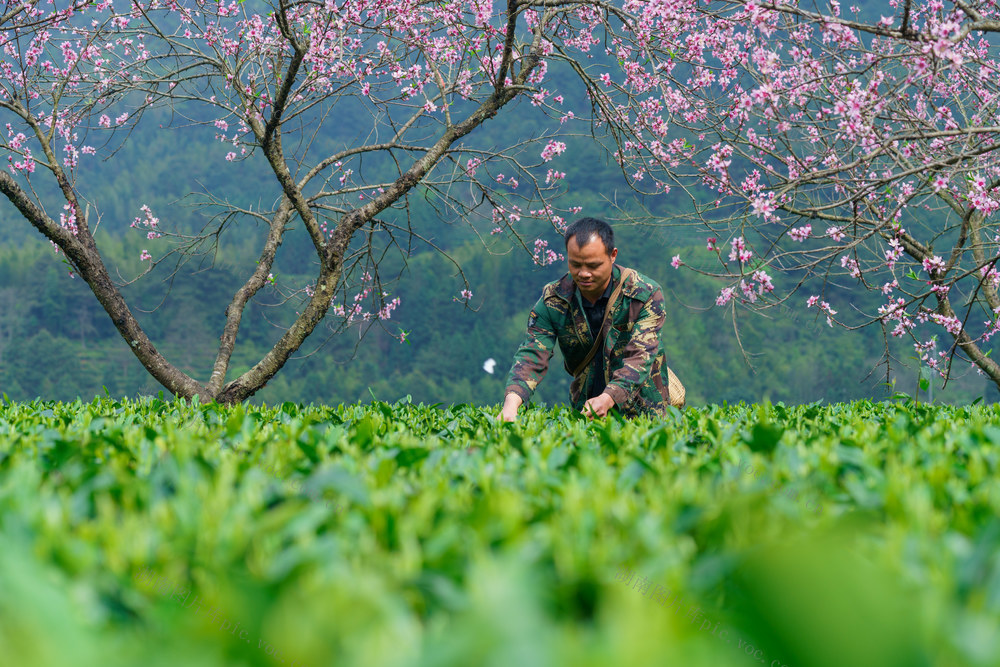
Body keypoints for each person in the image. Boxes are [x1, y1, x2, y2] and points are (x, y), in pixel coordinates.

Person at [500, 217, 678, 421]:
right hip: (586, 412)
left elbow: (641, 357)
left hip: (643, 413)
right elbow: (532, 354)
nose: (584, 273)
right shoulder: (554, 300)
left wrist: (608, 398)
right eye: (575, 264)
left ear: (613, 255)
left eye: (593, 265)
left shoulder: (644, 295)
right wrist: (511, 404)